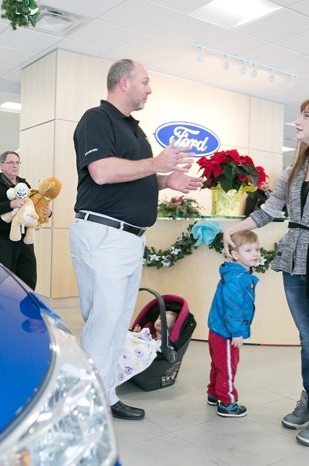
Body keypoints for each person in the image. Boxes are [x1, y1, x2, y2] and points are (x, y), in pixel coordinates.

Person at [222, 98, 309, 447]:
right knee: (308, 341)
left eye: (306, 116)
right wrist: (234, 228)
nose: (297, 122)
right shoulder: (294, 170)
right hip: (294, 262)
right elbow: (269, 210)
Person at [69, 58, 203, 421]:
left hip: (128, 239)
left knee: (116, 324)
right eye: (145, 81)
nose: (149, 88)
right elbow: (102, 172)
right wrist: (155, 165)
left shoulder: (134, 130)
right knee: (103, 323)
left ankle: (106, 393)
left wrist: (165, 180)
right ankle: (89, 404)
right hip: (104, 234)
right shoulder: (96, 120)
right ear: (124, 82)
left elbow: (134, 175)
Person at [206, 230, 260, 418]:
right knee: (228, 367)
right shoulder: (237, 279)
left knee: (218, 364)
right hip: (226, 332)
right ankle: (227, 403)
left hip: (217, 328)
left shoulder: (235, 273)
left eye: (256, 249)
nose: (255, 254)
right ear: (235, 255)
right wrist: (237, 333)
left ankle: (214, 394)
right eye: (248, 250)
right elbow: (233, 308)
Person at [0, 150, 50, 290]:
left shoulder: (24, 184)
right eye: (11, 162)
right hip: (2, 241)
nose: (15, 166)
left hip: (24, 239)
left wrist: (46, 213)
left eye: (17, 162)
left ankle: (26, 309)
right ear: (1, 165)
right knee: (5, 281)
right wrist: (10, 204)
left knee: (28, 278)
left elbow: (32, 205)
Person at [117, 311, 177, 385]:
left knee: (130, 353)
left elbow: (158, 347)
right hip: (137, 344)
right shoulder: (148, 329)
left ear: (171, 328)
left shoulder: (165, 337)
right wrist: (136, 333)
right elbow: (138, 339)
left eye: (164, 321)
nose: (160, 321)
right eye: (160, 318)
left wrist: (159, 341)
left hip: (143, 350)